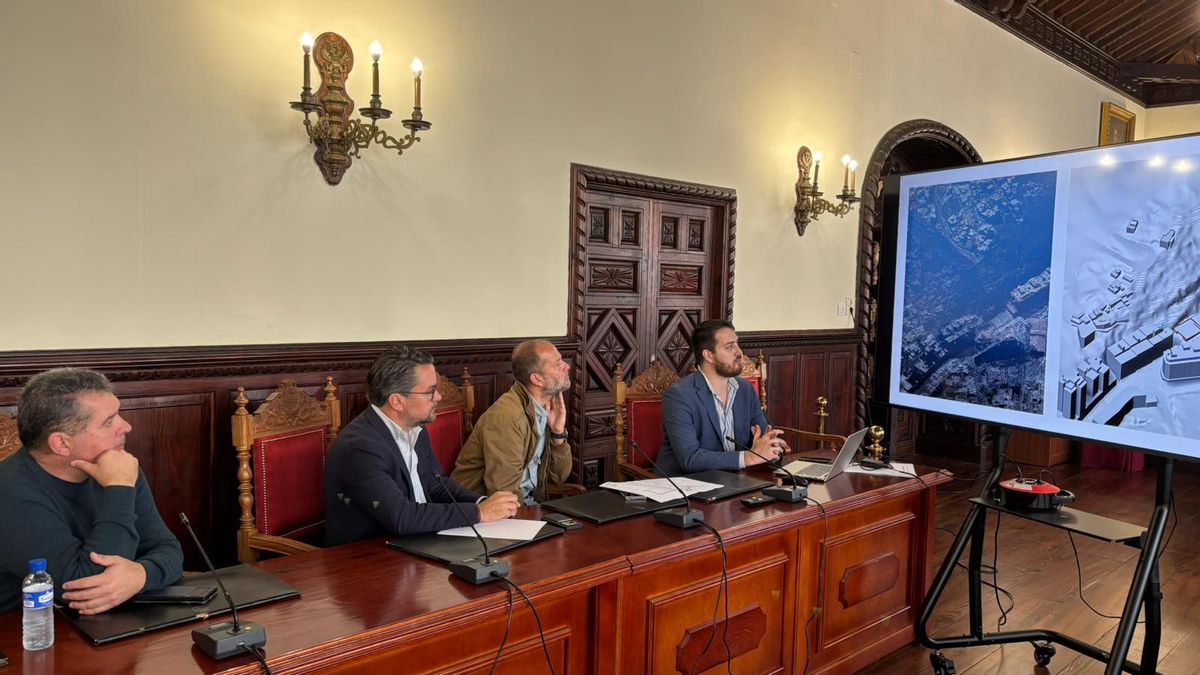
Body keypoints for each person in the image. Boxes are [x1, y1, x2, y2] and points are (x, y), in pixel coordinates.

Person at [0, 368, 183, 615]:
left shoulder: (118, 467)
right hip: (28, 634)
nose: (126, 426)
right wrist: (118, 490)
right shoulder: (11, 494)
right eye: (109, 422)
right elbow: (84, 587)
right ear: (62, 443)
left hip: (111, 622)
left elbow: (168, 549)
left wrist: (142, 574)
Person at [325, 345, 519, 546]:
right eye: (430, 391)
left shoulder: (414, 427)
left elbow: (436, 485)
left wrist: (481, 503)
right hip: (369, 555)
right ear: (397, 401)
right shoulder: (359, 447)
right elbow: (402, 516)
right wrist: (479, 513)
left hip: (420, 540)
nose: (438, 397)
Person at [657, 319, 789, 475]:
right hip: (689, 485)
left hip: (737, 481)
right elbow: (690, 458)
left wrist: (772, 449)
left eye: (737, 344)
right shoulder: (679, 396)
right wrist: (748, 457)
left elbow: (764, 437)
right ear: (708, 355)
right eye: (730, 347)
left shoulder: (745, 390)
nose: (739, 353)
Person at [452, 340, 573, 505]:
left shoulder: (545, 409)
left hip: (526, 507)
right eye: (557, 364)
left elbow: (557, 477)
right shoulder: (507, 417)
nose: (567, 366)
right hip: (485, 514)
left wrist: (558, 433)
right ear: (537, 379)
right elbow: (504, 493)